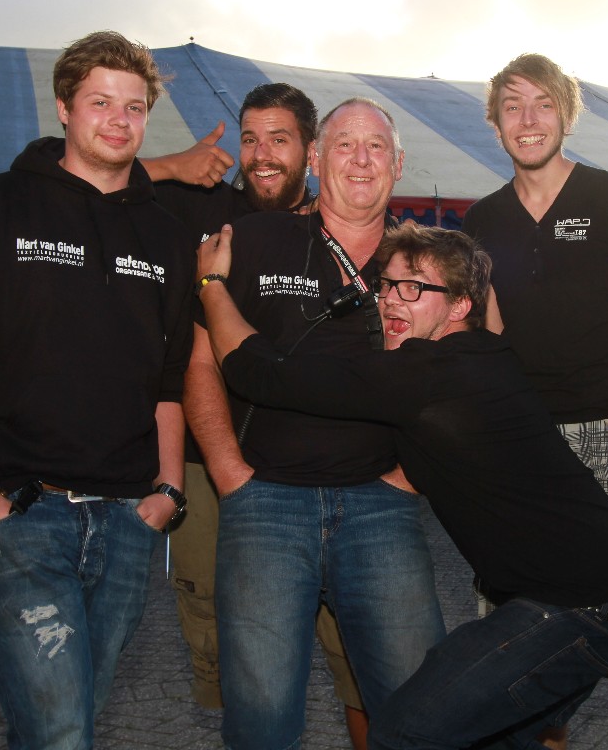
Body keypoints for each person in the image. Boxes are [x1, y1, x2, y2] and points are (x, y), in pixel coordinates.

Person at [198, 221, 608, 749]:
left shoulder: (429, 374)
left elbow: (261, 374)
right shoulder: (482, 355)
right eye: (387, 285)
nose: (392, 299)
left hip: (584, 606)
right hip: (603, 597)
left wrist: (211, 284)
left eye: (414, 287)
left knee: (405, 730)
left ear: (460, 306)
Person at [0, 30, 194, 749]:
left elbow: (169, 376)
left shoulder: (165, 237)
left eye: (134, 107)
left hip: (128, 521)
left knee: (67, 725)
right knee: (61, 731)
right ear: (64, 107)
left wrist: (166, 491)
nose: (119, 120)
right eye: (101, 102)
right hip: (23, 514)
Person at [185, 97, 447, 749]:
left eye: (376, 146)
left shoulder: (424, 265)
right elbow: (201, 361)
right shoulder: (252, 240)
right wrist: (228, 472)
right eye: (345, 145)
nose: (361, 159)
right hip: (265, 502)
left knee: (422, 709)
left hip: (382, 506)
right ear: (318, 159)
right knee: (262, 718)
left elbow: (463, 372)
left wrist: (409, 477)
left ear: (398, 164)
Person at [461, 53, 608, 750]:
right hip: (524, 447)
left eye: (542, 104)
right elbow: (491, 339)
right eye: (512, 106)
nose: (528, 120)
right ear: (495, 124)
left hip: (604, 433)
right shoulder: (483, 218)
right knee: (529, 631)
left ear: (565, 113)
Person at [153, 82, 369, 745]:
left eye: (280, 139)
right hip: (211, 463)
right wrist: (167, 166)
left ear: (311, 150)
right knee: (222, 635)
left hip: (320, 471)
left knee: (354, 643)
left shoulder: (343, 224)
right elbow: (71, 175)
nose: (262, 155)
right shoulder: (198, 207)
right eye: (250, 140)